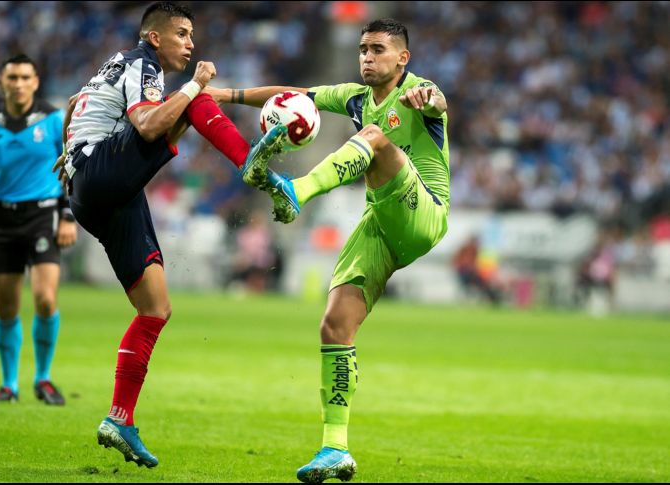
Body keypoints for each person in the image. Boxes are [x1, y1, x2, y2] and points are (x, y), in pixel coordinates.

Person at [207, 18, 450, 483]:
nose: (367, 57)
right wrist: (228, 95)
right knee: (335, 325)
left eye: (378, 49)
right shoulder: (355, 97)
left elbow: (438, 102)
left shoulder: (420, 90)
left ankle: (296, 190)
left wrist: (429, 100)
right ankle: (335, 449)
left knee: (373, 138)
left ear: (403, 58)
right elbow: (294, 95)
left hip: (425, 212)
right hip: (381, 222)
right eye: (363, 49)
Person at [54, 1, 286, 469]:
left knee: (155, 308)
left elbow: (75, 104)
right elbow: (147, 125)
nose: (190, 43)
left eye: (192, 34)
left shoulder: (115, 65)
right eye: (182, 33)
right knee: (193, 99)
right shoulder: (144, 63)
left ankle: (119, 418)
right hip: (102, 175)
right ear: (155, 37)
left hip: (100, 195)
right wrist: (196, 84)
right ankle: (251, 165)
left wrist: (69, 150)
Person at [0, 54, 78, 406]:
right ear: (2, 81)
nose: (19, 84)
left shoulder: (54, 120)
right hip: (0, 219)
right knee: (6, 307)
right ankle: (9, 386)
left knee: (45, 299)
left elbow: (73, 169)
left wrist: (67, 216)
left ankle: (43, 378)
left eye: (26, 77)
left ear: (36, 81)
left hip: (42, 215)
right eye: (12, 78)